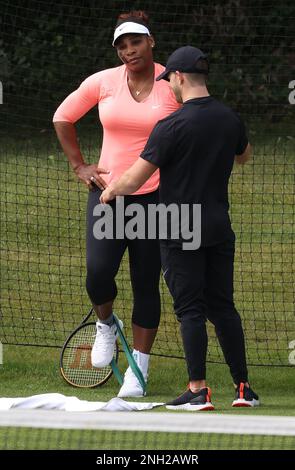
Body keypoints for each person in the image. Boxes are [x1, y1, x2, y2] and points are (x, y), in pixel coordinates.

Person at [100, 45, 260, 410]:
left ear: (181, 77)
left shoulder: (171, 125)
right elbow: (244, 155)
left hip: (179, 225)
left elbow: (136, 177)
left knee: (190, 308)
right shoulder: (229, 118)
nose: (168, 85)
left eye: (169, 78)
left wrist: (109, 192)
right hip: (219, 224)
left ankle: (198, 389)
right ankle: (243, 388)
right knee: (223, 306)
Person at [53, 10, 180, 398]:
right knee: (97, 272)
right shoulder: (103, 82)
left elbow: (198, 126)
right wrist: (79, 165)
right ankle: (107, 324)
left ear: (150, 41)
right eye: (122, 46)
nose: (129, 51)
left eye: (135, 42)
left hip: (157, 199)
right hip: (108, 196)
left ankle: (137, 368)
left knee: (146, 283)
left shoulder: (172, 84)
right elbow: (63, 117)